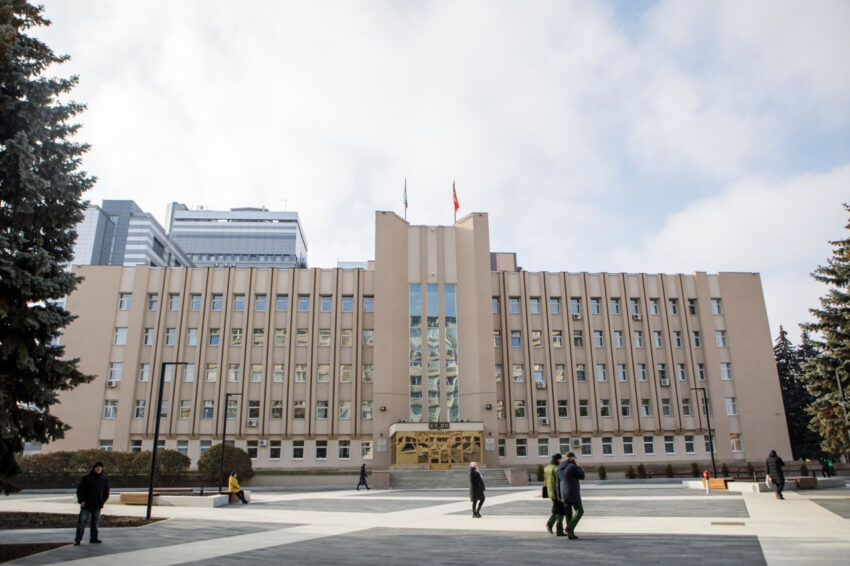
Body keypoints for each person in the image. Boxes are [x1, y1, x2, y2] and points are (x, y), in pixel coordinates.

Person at [74, 460, 109, 545]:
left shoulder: (104, 478)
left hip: (97, 505)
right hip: (86, 504)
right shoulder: (87, 478)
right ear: (94, 468)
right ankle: (78, 539)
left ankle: (94, 538)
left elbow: (106, 491)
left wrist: (102, 501)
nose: (98, 468)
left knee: (95, 522)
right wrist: (81, 500)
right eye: (97, 467)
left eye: (100, 467)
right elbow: (80, 490)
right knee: (82, 521)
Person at [557, 452, 585, 539]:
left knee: (568, 514)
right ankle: (569, 528)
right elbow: (582, 476)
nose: (575, 460)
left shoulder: (560, 467)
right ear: (571, 458)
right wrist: (579, 467)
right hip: (573, 493)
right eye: (574, 458)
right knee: (580, 511)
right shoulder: (573, 466)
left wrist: (559, 495)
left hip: (563, 493)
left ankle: (571, 534)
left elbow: (558, 482)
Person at [543, 453, 566, 536]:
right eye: (560, 459)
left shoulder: (547, 468)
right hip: (557, 492)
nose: (561, 460)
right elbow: (560, 481)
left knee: (558, 509)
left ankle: (555, 528)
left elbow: (545, 480)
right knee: (561, 510)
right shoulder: (557, 468)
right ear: (558, 459)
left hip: (550, 492)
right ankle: (553, 526)